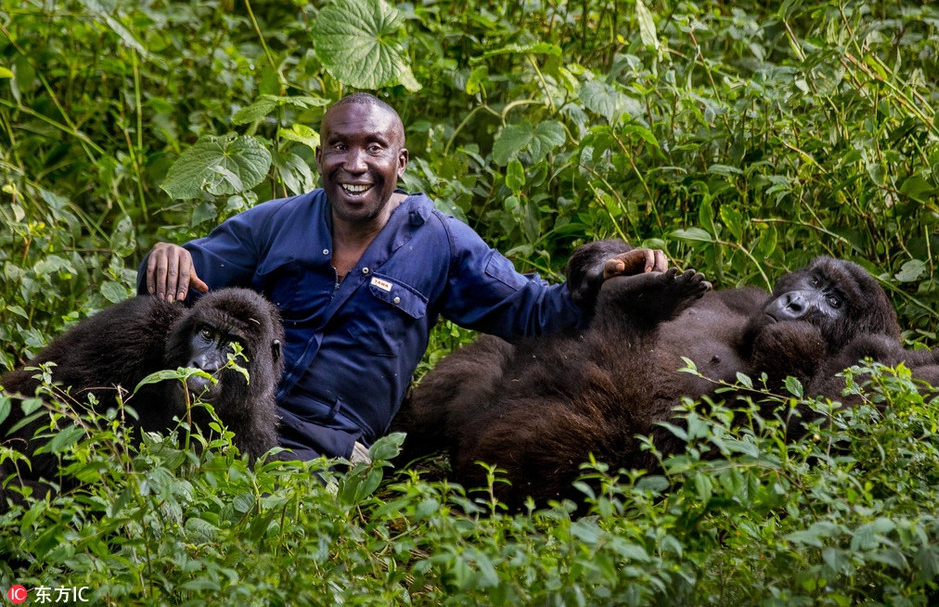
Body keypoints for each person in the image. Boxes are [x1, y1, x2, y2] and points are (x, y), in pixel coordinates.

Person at [138, 93, 667, 462]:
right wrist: (167, 257)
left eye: (374, 147)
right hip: (237, 418)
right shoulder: (276, 221)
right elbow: (175, 286)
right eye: (340, 146)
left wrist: (605, 273)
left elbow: (536, 311)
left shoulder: (440, 243)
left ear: (401, 161)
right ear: (319, 155)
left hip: (329, 447)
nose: (355, 163)